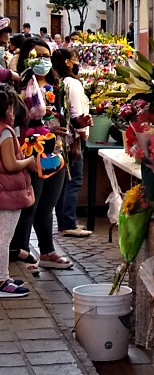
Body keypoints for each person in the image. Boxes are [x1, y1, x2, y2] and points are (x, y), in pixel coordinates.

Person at [9, 37, 72, 271]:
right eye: (38, 56)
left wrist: (73, 124)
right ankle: (20, 251)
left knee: (48, 205)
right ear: (27, 58)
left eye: (47, 56)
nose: (44, 61)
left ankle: (47, 251)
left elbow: (63, 115)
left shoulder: (58, 85)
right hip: (29, 152)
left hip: (55, 150)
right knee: (29, 205)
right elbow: (15, 122)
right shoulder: (18, 87)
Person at [51, 47, 92, 237]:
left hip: (63, 137)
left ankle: (64, 221)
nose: (77, 62)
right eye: (74, 59)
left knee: (65, 182)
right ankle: (68, 222)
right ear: (67, 62)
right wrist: (83, 132)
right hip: (72, 138)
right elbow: (76, 112)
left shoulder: (60, 81)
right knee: (74, 180)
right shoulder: (72, 83)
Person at [0, 84, 36, 296]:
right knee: (3, 239)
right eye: (11, 108)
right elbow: (11, 164)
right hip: (7, 195)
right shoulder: (4, 132)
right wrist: (29, 161)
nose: (13, 113)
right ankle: (2, 281)